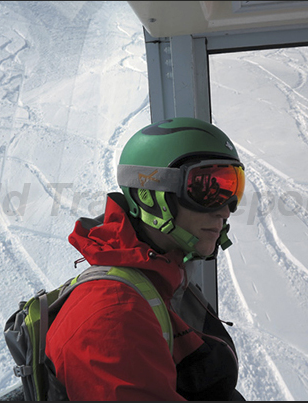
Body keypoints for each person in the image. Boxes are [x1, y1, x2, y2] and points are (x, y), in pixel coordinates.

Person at [44, 117, 246, 400]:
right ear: (149, 196)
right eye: (207, 190)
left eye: (232, 188)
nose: (225, 211)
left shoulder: (164, 278)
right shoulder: (112, 314)